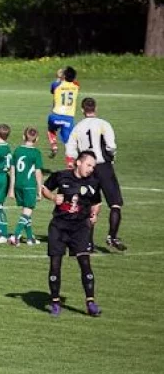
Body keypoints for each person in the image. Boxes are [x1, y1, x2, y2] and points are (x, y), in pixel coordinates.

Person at [41, 150, 103, 317]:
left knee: (85, 263)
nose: (91, 169)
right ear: (78, 163)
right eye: (89, 165)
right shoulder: (61, 176)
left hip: (80, 228)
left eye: (93, 166)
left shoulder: (94, 182)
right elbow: (44, 189)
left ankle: (90, 303)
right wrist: (53, 198)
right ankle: (55, 303)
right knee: (55, 265)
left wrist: (94, 214)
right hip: (59, 227)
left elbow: (96, 203)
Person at [65, 97, 126, 251]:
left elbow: (70, 150)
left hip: (87, 168)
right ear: (95, 108)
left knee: (90, 205)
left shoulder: (78, 127)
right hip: (103, 166)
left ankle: (88, 243)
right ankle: (112, 236)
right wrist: (111, 156)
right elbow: (111, 146)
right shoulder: (103, 124)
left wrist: (77, 164)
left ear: (82, 109)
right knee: (115, 203)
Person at [9, 127, 45, 246]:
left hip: (18, 184)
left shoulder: (17, 151)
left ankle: (30, 238)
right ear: (37, 139)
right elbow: (38, 172)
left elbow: (12, 170)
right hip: (29, 185)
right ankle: (16, 235)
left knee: (26, 211)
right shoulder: (36, 153)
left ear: (23, 137)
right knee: (27, 211)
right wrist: (40, 189)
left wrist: (11, 189)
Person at [47, 66, 79, 163]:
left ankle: (54, 144)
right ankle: (70, 164)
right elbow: (73, 81)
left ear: (63, 76)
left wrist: (59, 77)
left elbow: (53, 90)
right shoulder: (76, 86)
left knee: (51, 128)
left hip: (55, 116)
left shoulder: (56, 85)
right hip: (68, 119)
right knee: (68, 144)